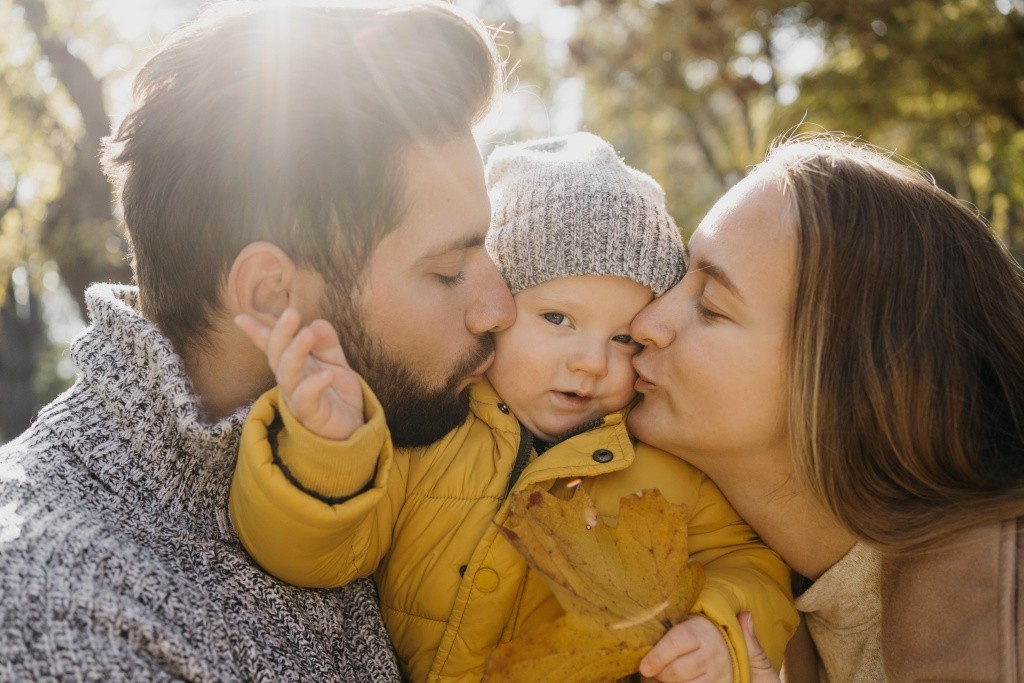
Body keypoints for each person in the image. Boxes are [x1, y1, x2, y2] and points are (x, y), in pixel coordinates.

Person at [0, 1, 516, 679]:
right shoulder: (62, 613)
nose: (501, 307)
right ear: (271, 295)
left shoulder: (417, 447)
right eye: (447, 270)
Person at [229, 132, 799, 683]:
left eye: (623, 338)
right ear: (496, 308)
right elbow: (313, 559)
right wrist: (328, 454)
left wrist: (720, 632)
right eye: (558, 320)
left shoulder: (666, 465)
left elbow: (754, 568)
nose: (591, 362)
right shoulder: (434, 428)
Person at [629, 134, 1024, 682]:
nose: (645, 324)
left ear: (850, 376)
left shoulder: (1007, 620)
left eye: (711, 307)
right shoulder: (721, 586)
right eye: (678, 279)